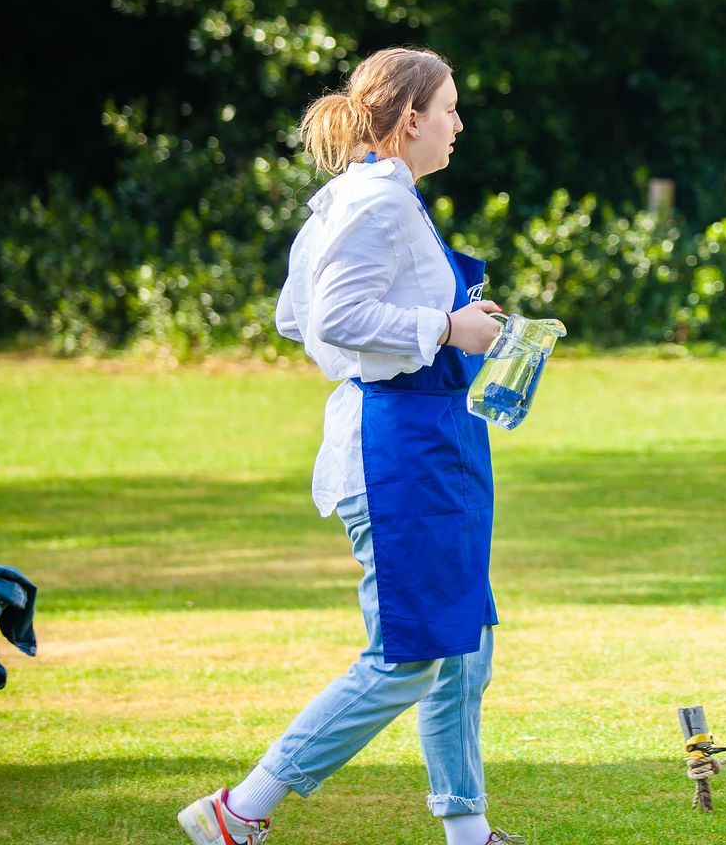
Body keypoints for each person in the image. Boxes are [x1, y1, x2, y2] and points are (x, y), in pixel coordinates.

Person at [179, 47, 521, 845]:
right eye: (450, 109)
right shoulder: (378, 202)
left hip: (429, 441)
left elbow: (295, 317)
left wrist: (456, 320)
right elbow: (331, 320)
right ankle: (241, 810)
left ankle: (467, 834)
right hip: (400, 454)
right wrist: (441, 328)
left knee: (464, 647)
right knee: (409, 655)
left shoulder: (359, 197)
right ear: (411, 120)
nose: (459, 124)